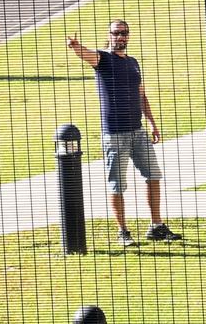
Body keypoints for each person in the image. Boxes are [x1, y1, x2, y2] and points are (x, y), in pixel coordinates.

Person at [67, 19, 182, 247]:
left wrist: (151, 122)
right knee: (117, 183)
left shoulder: (133, 63)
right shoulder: (103, 59)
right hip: (114, 133)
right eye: (117, 33)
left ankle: (156, 226)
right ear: (109, 35)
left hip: (137, 131)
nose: (121, 37)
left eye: (124, 33)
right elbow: (86, 54)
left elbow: (141, 94)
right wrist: (75, 46)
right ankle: (123, 232)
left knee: (154, 176)